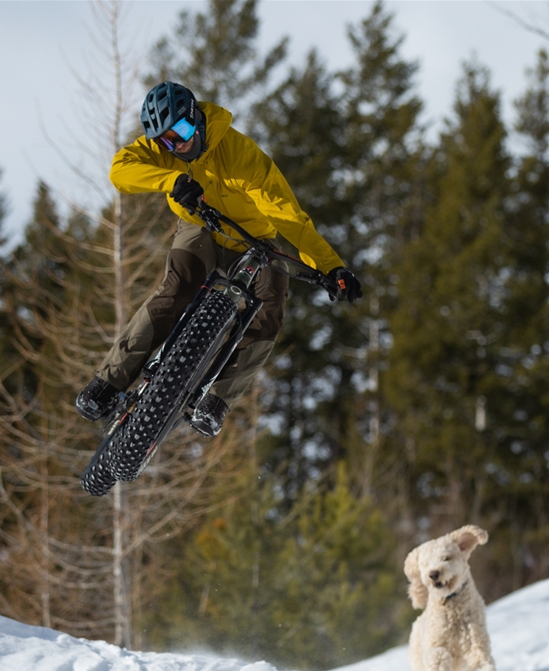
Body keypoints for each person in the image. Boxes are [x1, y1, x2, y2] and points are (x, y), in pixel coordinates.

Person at [76, 81, 361, 438]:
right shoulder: (166, 151)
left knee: (271, 303)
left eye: (180, 131)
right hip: (200, 226)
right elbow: (120, 171)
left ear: (195, 117)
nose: (177, 144)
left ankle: (217, 401)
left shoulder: (242, 155)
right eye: (166, 140)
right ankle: (108, 382)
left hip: (254, 240)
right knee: (178, 284)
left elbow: (289, 218)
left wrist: (331, 266)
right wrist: (172, 180)